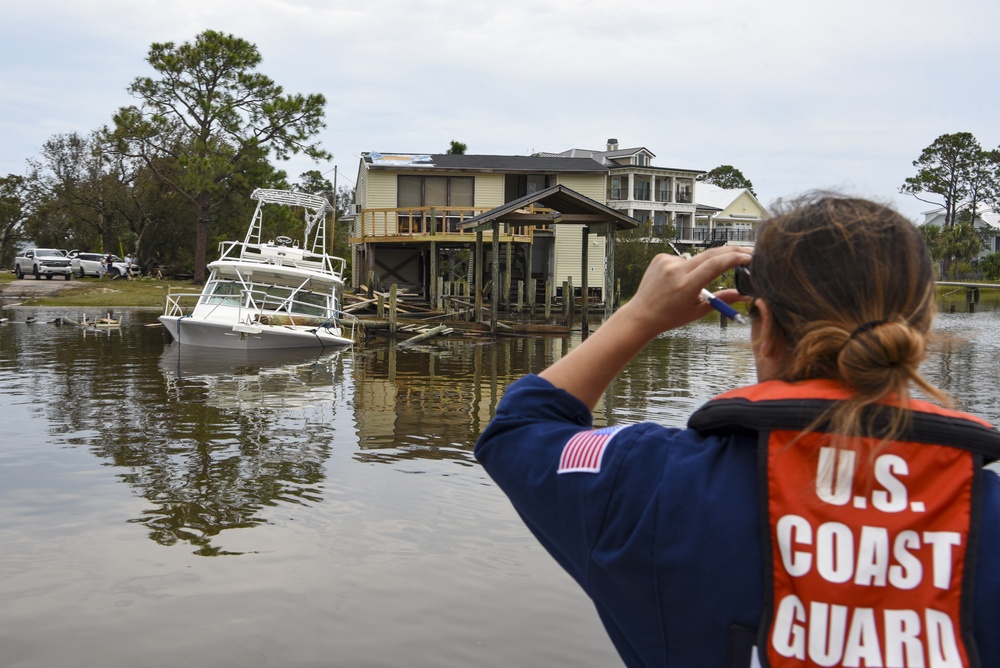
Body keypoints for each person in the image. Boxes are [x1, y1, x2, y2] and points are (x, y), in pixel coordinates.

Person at [475, 194, 1000, 667]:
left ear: (764, 325)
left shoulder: (653, 483)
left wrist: (638, 317)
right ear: (920, 332)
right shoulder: (987, 514)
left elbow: (521, 428)